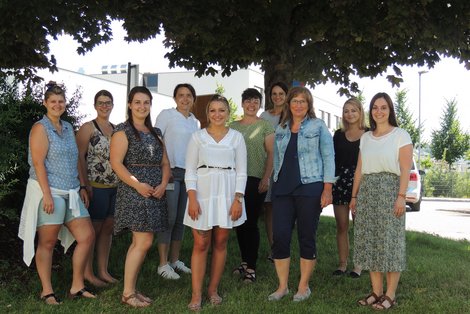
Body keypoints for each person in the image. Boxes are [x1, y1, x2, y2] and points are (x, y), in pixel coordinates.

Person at [18, 82, 96, 305]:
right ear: (45, 103)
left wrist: (82, 185)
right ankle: (47, 291)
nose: (57, 105)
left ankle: (77, 285)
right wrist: (47, 195)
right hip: (49, 191)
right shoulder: (40, 128)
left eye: (61, 101)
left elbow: (75, 159)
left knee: (87, 236)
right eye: (53, 101)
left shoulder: (69, 127)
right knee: (48, 242)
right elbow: (38, 163)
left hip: (71, 190)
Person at [268, 86, 335, 302]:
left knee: (306, 236)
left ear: (309, 105)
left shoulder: (318, 126)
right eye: (294, 101)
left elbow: (329, 157)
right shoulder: (282, 128)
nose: (298, 105)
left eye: (302, 101)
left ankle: (303, 287)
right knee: (280, 237)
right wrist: (274, 181)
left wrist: (327, 189)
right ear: (288, 104)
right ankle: (282, 287)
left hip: (310, 187)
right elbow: (277, 159)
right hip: (283, 190)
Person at [183, 95, 247, 311]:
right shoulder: (197, 137)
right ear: (207, 113)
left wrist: (238, 199)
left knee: (221, 242)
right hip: (202, 193)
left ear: (228, 113)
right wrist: (192, 198)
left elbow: (242, 171)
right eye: (213, 110)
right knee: (201, 243)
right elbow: (190, 170)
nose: (217, 114)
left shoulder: (237, 137)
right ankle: (196, 294)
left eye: (222, 110)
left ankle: (213, 289)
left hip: (228, 194)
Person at [350, 92, 412, 310]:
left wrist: (401, 197)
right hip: (367, 193)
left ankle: (390, 294)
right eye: (375, 107)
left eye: (383, 107)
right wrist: (354, 196)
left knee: (390, 243)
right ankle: (376, 292)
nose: (379, 111)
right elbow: (360, 169)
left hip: (390, 191)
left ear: (390, 110)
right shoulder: (366, 137)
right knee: (371, 242)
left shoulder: (400, 135)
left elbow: (405, 169)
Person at [110, 86, 171, 308]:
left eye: (146, 102)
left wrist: (164, 183)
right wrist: (138, 185)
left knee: (143, 242)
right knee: (143, 241)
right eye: (137, 102)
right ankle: (127, 293)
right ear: (129, 105)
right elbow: (116, 163)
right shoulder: (122, 130)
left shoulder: (156, 132)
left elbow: (165, 163)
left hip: (155, 191)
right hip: (135, 191)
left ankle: (132, 289)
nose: (142, 106)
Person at [154, 83, 200, 280]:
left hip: (188, 174)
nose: (185, 99)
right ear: (175, 98)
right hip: (170, 172)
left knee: (182, 219)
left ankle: (175, 260)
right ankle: (162, 264)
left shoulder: (195, 122)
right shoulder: (167, 115)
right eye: (181, 95)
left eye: (188, 95)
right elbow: (156, 140)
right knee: (169, 217)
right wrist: (165, 168)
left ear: (193, 99)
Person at [231, 88, 274, 282]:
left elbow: (272, 153)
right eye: (248, 100)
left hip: (256, 179)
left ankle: (251, 266)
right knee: (239, 223)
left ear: (259, 104)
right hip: (234, 180)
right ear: (242, 103)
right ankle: (244, 261)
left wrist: (266, 177)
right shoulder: (232, 127)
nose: (251, 104)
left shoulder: (265, 126)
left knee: (252, 223)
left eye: (255, 101)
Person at [332, 98, 367, 278]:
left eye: (353, 110)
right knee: (342, 225)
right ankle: (342, 263)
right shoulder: (338, 135)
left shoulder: (369, 134)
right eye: (346, 110)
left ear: (360, 112)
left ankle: (359, 265)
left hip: (361, 182)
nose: (350, 114)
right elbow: (332, 160)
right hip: (340, 182)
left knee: (360, 225)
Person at [260, 82, 288, 262]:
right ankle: (273, 248)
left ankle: (282, 247)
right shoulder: (264, 116)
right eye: (274, 94)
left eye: (281, 93)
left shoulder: (291, 115)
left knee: (283, 210)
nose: (277, 97)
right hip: (268, 166)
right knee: (268, 208)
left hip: (286, 168)